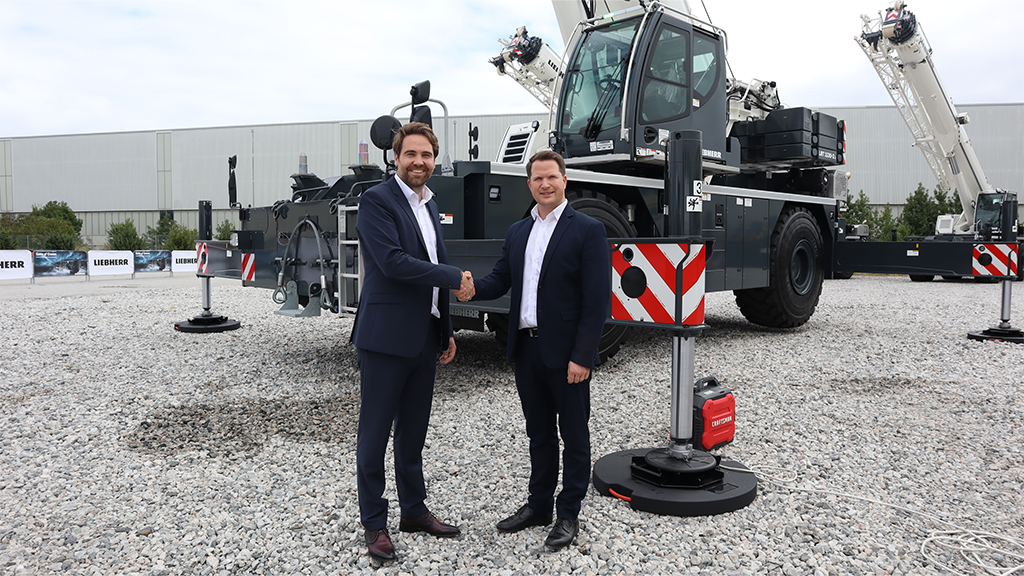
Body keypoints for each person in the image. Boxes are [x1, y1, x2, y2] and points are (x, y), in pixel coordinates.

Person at [456, 150, 610, 550]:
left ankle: (568, 513)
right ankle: (538, 505)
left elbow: (597, 302)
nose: (545, 184)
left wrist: (582, 355)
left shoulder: (587, 230)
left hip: (566, 356)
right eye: (537, 179)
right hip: (526, 351)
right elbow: (501, 279)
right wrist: (472, 288)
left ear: (564, 181)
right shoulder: (518, 231)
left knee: (574, 436)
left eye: (551, 178)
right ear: (529, 184)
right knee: (539, 434)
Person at [351, 122, 472, 562]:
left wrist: (447, 329)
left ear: (434, 160)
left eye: (426, 155)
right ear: (396, 158)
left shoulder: (430, 203)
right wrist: (454, 278)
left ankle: (414, 511)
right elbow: (395, 263)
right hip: (384, 339)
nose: (419, 162)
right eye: (411, 154)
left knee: (413, 434)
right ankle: (374, 524)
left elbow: (434, 262)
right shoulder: (376, 201)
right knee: (374, 434)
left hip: (424, 337)